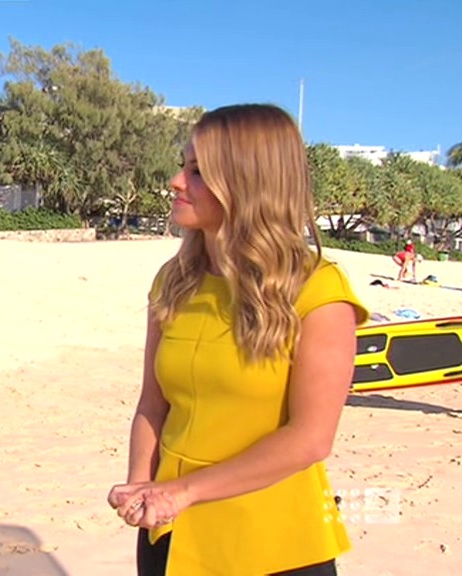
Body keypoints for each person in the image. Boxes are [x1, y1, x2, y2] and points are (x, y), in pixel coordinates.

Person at [107, 104, 369, 576]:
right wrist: (140, 486)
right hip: (171, 534)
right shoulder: (174, 281)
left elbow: (310, 439)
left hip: (276, 545)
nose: (176, 182)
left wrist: (184, 492)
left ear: (246, 183)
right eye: (183, 165)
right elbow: (153, 404)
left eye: (197, 171)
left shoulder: (318, 289)